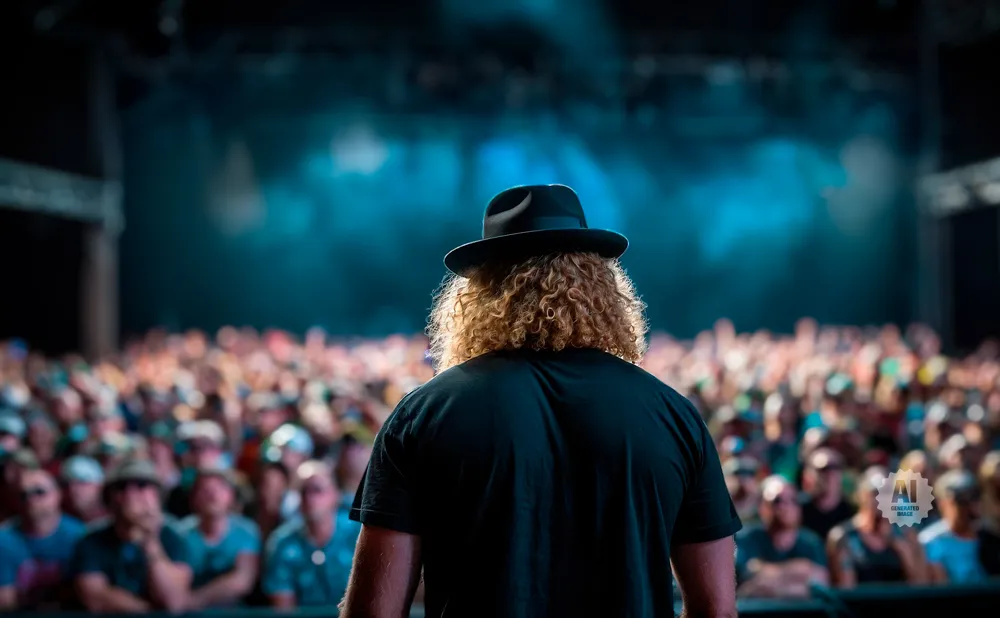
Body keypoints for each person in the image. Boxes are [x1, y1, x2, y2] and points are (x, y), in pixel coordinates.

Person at [341, 185, 742, 618]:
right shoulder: (672, 416)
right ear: (601, 287)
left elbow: (373, 612)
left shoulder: (424, 416)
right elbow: (716, 610)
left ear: (479, 293)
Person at [70, 458, 195, 612]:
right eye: (122, 487)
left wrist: (149, 540)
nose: (131, 494)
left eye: (142, 485)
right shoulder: (90, 540)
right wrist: (149, 611)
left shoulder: (175, 537)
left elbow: (173, 601)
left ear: (157, 495)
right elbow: (94, 597)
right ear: (109, 497)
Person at [262, 460, 360, 607]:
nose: (309, 497)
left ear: (336, 494)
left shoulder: (358, 534)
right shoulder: (282, 542)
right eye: (303, 491)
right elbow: (283, 608)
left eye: (317, 490)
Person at [827, 467, 928, 586]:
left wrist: (902, 550)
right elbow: (846, 587)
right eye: (875, 493)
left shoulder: (907, 535)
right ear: (862, 495)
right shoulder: (844, 537)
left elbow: (921, 585)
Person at [178, 466, 260, 609]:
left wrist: (194, 600)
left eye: (220, 488)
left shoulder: (246, 531)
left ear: (231, 495)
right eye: (205, 489)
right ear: (193, 498)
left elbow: (243, 580)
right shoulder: (180, 534)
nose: (213, 495)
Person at [2, 467, 86, 608]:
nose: (31, 499)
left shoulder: (80, 535)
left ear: (58, 494)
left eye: (39, 492)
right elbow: (5, 602)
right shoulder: (3, 539)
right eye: (24, 494)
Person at [735, 476, 829, 598]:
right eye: (777, 501)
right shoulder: (746, 539)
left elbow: (821, 585)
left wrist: (767, 577)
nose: (785, 506)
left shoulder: (811, 542)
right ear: (762, 507)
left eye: (793, 500)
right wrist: (802, 571)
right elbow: (744, 582)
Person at [919, 469, 988, 583]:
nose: (969, 506)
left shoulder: (989, 538)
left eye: (974, 496)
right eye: (961, 500)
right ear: (943, 503)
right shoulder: (929, 541)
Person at [800, 448, 855, 541]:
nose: (830, 474)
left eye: (835, 467)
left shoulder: (852, 511)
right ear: (809, 475)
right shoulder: (799, 509)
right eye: (823, 469)